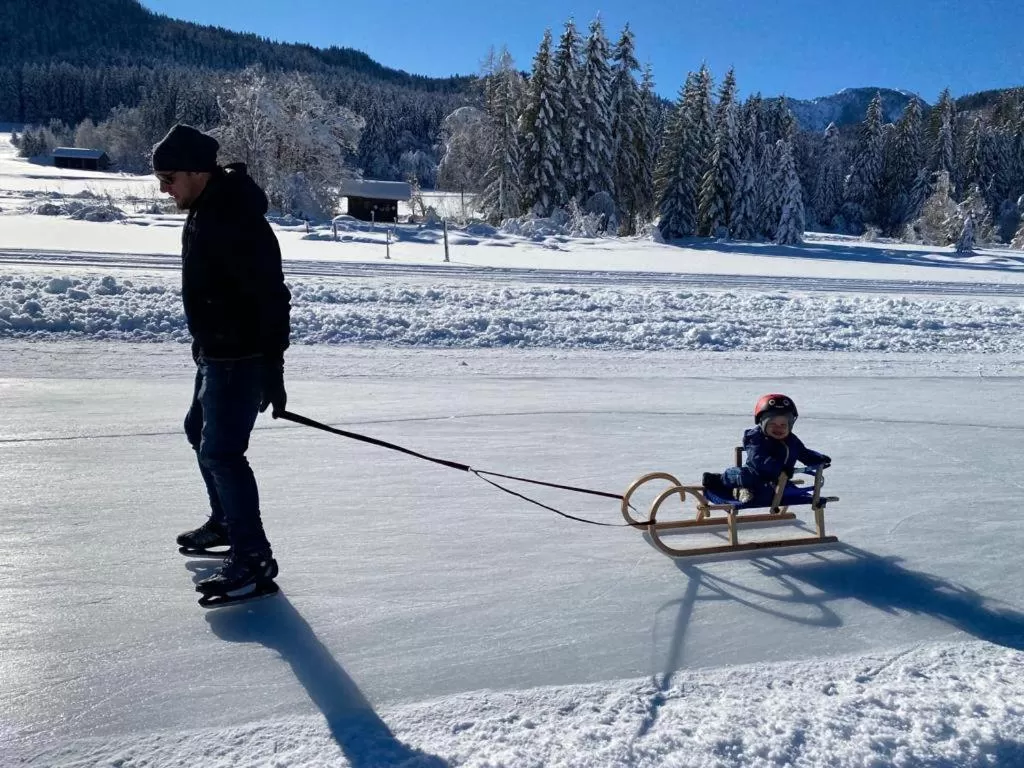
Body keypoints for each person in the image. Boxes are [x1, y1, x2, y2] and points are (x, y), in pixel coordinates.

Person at [153, 124, 291, 598]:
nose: (164, 188)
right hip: (215, 353)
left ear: (198, 171)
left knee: (222, 452)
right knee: (199, 433)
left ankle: (253, 558)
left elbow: (273, 296)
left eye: (169, 178)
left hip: (241, 356)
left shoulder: (235, 217)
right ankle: (226, 523)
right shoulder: (205, 209)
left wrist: (272, 367)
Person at [702, 394, 830, 505]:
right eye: (772, 424)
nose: (778, 428)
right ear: (762, 423)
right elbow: (759, 459)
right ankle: (719, 480)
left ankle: (742, 491)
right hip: (756, 474)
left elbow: (804, 453)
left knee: (768, 493)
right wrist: (779, 467)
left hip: (777, 480)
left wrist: (818, 458)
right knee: (744, 476)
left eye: (783, 425)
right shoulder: (755, 439)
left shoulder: (792, 441)